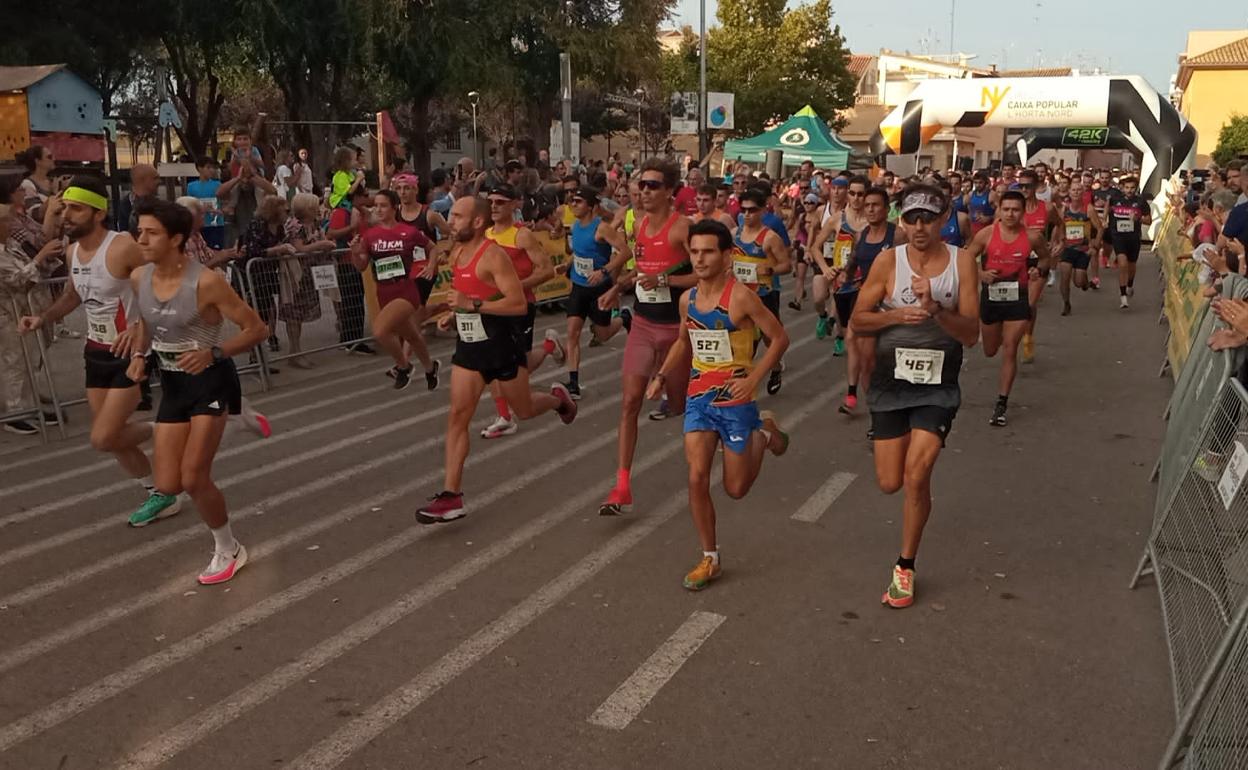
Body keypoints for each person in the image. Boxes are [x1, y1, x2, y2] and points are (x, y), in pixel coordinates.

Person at [16, 177, 174, 524]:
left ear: (98, 213)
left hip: (129, 354)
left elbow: (160, 287)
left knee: (103, 437)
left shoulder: (123, 247)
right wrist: (42, 318)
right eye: (65, 209)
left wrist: (137, 328)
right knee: (116, 438)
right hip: (95, 352)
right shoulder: (72, 251)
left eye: (76, 209)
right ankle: (159, 493)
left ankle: (172, 428)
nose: (66, 216)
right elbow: (73, 295)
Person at [127, 199, 269, 584]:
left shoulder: (206, 281)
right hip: (172, 384)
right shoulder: (140, 277)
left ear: (176, 239)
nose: (141, 239)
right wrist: (140, 355)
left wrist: (214, 352)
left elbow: (257, 329)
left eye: (151, 233)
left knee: (194, 479)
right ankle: (240, 417)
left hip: (210, 379)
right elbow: (145, 322)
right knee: (168, 485)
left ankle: (228, 548)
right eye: (140, 231)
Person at [851, 185, 979, 609]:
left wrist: (938, 311)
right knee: (890, 482)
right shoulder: (890, 261)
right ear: (902, 221)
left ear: (944, 220)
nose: (920, 227)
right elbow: (859, 320)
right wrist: (896, 314)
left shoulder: (961, 263)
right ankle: (915, 507)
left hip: (938, 385)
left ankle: (905, 566)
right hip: (891, 384)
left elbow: (973, 336)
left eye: (928, 218)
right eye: (912, 219)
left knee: (915, 475)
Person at [416, 197, 577, 523]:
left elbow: (517, 304)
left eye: (458, 216)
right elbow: (471, 295)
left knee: (525, 409)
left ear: (477, 222)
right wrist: (453, 312)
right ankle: (451, 496)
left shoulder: (493, 255)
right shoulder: (458, 252)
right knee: (457, 417)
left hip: (502, 344)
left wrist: (471, 306)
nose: (451, 220)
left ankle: (559, 401)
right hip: (470, 348)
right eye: (451, 215)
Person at [649, 219, 790, 590]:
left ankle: (764, 431)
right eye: (694, 252)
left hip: (735, 398)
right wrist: (662, 376)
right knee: (696, 476)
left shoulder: (741, 297)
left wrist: (753, 379)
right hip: (699, 396)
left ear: (727, 255)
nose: (699, 259)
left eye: (708, 251)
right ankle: (709, 557)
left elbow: (779, 338)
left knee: (736, 488)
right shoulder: (688, 299)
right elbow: (684, 341)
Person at [595, 158, 695, 515]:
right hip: (642, 324)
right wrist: (617, 288)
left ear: (670, 191)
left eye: (653, 185)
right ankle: (621, 485)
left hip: (676, 331)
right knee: (630, 401)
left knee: (681, 405)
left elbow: (708, 274)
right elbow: (642, 269)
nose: (644, 191)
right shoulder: (637, 227)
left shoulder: (684, 228)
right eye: (641, 184)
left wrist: (666, 282)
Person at [478, 183, 564, 438]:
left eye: (500, 202)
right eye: (491, 201)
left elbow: (546, 270)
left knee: (518, 366)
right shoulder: (486, 234)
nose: (494, 206)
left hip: (519, 307)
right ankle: (504, 416)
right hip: (493, 307)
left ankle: (549, 348)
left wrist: (514, 288)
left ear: (515, 204)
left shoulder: (521, 235)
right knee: (493, 363)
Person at [963, 190, 1051, 427]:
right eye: (1006, 209)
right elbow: (966, 258)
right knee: (991, 350)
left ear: (1023, 213)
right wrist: (981, 273)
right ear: (999, 210)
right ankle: (1000, 334)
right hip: (991, 298)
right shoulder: (987, 234)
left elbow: (1045, 258)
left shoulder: (1033, 237)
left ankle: (1001, 403)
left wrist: (1038, 270)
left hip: (1018, 297)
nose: (1010, 214)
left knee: (1010, 348)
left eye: (1016, 210)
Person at [350, 189, 441, 390]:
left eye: (383, 205)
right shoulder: (370, 235)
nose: (378, 210)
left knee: (380, 331)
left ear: (394, 208)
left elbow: (432, 247)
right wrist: (355, 253)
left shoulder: (408, 232)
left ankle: (404, 367)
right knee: (412, 336)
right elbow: (362, 266)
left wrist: (431, 264)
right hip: (383, 292)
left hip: (406, 291)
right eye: (376, 206)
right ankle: (429, 367)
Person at [838, 186, 907, 417]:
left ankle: (895, 400)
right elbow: (854, 261)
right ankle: (869, 406)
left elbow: (908, 265)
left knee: (884, 358)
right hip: (865, 300)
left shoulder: (897, 234)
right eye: (867, 205)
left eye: (875, 205)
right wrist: (846, 276)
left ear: (886, 209)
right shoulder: (861, 235)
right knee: (859, 350)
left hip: (890, 302)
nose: (870, 209)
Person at [561, 186, 629, 399]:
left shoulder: (602, 228)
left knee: (603, 334)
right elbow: (580, 253)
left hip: (600, 289)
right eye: (572, 201)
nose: (573, 205)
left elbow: (626, 252)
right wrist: (566, 265)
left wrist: (604, 271)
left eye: (578, 202)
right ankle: (573, 383)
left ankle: (625, 318)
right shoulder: (574, 226)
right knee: (572, 333)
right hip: (579, 287)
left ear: (591, 206)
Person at [0, 203, 61, 434]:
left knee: (30, 361)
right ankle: (14, 411)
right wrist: (39, 259)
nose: (11, 225)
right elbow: (16, 279)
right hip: (7, 314)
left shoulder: (11, 246)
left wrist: (44, 258)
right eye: (7, 221)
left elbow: (36, 264)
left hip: (26, 310)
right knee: (14, 363)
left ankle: (30, 404)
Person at [731, 187, 790, 395]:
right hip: (739, 296)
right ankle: (741, 383)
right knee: (743, 340)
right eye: (744, 210)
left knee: (769, 337)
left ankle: (775, 367)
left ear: (763, 211)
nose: (747, 214)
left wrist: (771, 268)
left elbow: (786, 265)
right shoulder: (734, 235)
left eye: (752, 210)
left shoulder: (770, 238)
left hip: (764, 295)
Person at [813, 175, 869, 356]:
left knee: (860, 327)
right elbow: (815, 247)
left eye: (860, 194)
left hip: (866, 280)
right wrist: (825, 269)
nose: (856, 198)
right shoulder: (837, 219)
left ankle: (858, 367)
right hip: (842, 279)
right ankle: (841, 337)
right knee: (842, 320)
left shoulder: (873, 221)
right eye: (852, 193)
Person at [280, 192, 335, 367]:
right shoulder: (296, 226)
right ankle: (295, 352)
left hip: (311, 275)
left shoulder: (316, 225)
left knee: (300, 314)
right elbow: (299, 248)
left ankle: (296, 351)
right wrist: (321, 245)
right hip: (296, 275)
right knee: (293, 315)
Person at [1016, 169, 1062, 363]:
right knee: (1019, 302)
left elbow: (1060, 224)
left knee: (1030, 303)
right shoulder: (1014, 208)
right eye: (1021, 186)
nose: (1024, 189)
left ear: (1036, 186)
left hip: (1040, 260)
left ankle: (1027, 339)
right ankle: (1022, 333)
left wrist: (1059, 242)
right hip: (1018, 260)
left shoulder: (1047, 208)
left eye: (1027, 186)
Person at [1055, 178, 1103, 316]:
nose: (1076, 192)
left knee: (1078, 282)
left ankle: (1085, 283)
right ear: (1069, 192)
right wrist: (1059, 241)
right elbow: (1060, 226)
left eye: (1079, 190)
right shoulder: (1064, 209)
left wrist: (1095, 246)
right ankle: (1066, 303)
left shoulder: (1088, 209)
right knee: (1064, 277)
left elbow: (1100, 228)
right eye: (1073, 190)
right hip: (1068, 248)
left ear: (1083, 193)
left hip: (1083, 250)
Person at [1107, 175, 1152, 309]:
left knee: (1131, 266)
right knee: (1122, 264)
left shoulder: (1141, 202)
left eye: (1132, 188)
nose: (1129, 190)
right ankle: (1123, 297)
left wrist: (1138, 218)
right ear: (1122, 188)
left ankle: (1130, 284)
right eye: (1127, 188)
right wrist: (1105, 220)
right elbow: (1107, 209)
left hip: (1133, 238)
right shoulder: (1115, 199)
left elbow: (1149, 221)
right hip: (1118, 237)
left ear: (1136, 188)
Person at [787, 192, 820, 311]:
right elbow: (796, 230)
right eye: (805, 202)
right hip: (802, 248)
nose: (807, 205)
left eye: (810, 203)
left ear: (815, 205)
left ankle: (822, 295)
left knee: (819, 277)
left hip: (815, 250)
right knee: (800, 276)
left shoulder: (818, 218)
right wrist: (794, 241)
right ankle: (797, 301)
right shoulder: (802, 216)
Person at [188, 157, 226, 249]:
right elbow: (189, 204)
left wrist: (222, 211)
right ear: (199, 169)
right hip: (200, 224)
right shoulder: (191, 186)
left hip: (216, 223)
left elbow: (224, 202)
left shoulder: (218, 184)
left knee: (216, 249)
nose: (211, 170)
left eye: (213, 168)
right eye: (208, 167)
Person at [16, 145, 56, 224]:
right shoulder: (27, 184)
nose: (54, 159)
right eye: (49, 157)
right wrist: (55, 194)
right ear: (38, 161)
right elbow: (36, 214)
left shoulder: (53, 181)